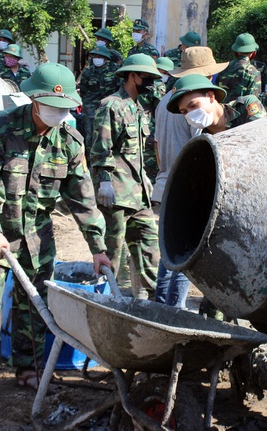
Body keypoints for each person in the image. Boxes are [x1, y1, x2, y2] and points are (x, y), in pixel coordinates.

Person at [0, 62, 111, 408]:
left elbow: (82, 198)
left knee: (35, 308)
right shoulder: (1, 129)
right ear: (35, 100)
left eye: (65, 109)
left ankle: (28, 369)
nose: (60, 114)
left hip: (38, 239)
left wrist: (98, 246)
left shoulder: (70, 143)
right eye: (54, 107)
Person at [152, 46, 229, 308]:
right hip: (190, 190)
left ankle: (162, 310)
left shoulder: (165, 102)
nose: (189, 112)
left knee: (169, 256)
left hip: (167, 184)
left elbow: (157, 146)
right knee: (185, 258)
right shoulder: (195, 112)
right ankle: (174, 312)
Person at [90, 54, 161, 299]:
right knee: (112, 254)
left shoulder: (138, 108)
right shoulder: (111, 105)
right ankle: (105, 301)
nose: (150, 82)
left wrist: (145, 178)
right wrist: (104, 181)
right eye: (147, 77)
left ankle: (153, 302)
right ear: (132, 76)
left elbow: (136, 152)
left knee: (149, 246)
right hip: (116, 195)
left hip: (137, 194)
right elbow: (101, 148)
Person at [78, 45, 120, 160]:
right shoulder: (87, 72)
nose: (97, 58)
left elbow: (119, 89)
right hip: (91, 110)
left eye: (100, 56)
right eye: (95, 56)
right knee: (90, 138)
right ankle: (90, 163)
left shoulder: (114, 71)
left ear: (105, 58)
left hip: (109, 109)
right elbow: (83, 91)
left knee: (108, 137)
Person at [216, 33, 267, 104]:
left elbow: (217, 93)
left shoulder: (224, 67)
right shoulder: (253, 72)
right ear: (254, 53)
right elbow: (253, 101)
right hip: (240, 113)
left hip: (221, 111)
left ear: (235, 51)